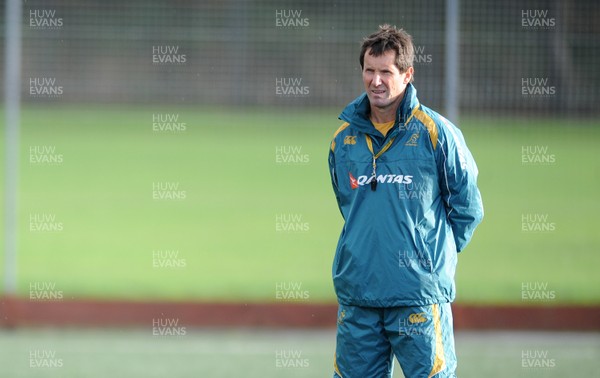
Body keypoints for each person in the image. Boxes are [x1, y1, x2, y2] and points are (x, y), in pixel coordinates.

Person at [328, 25, 483, 377]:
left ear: (407, 74)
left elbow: (468, 207)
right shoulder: (342, 141)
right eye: (370, 70)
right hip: (359, 295)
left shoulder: (436, 133)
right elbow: (350, 208)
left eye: (386, 71)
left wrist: (431, 256)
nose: (376, 81)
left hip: (418, 297)